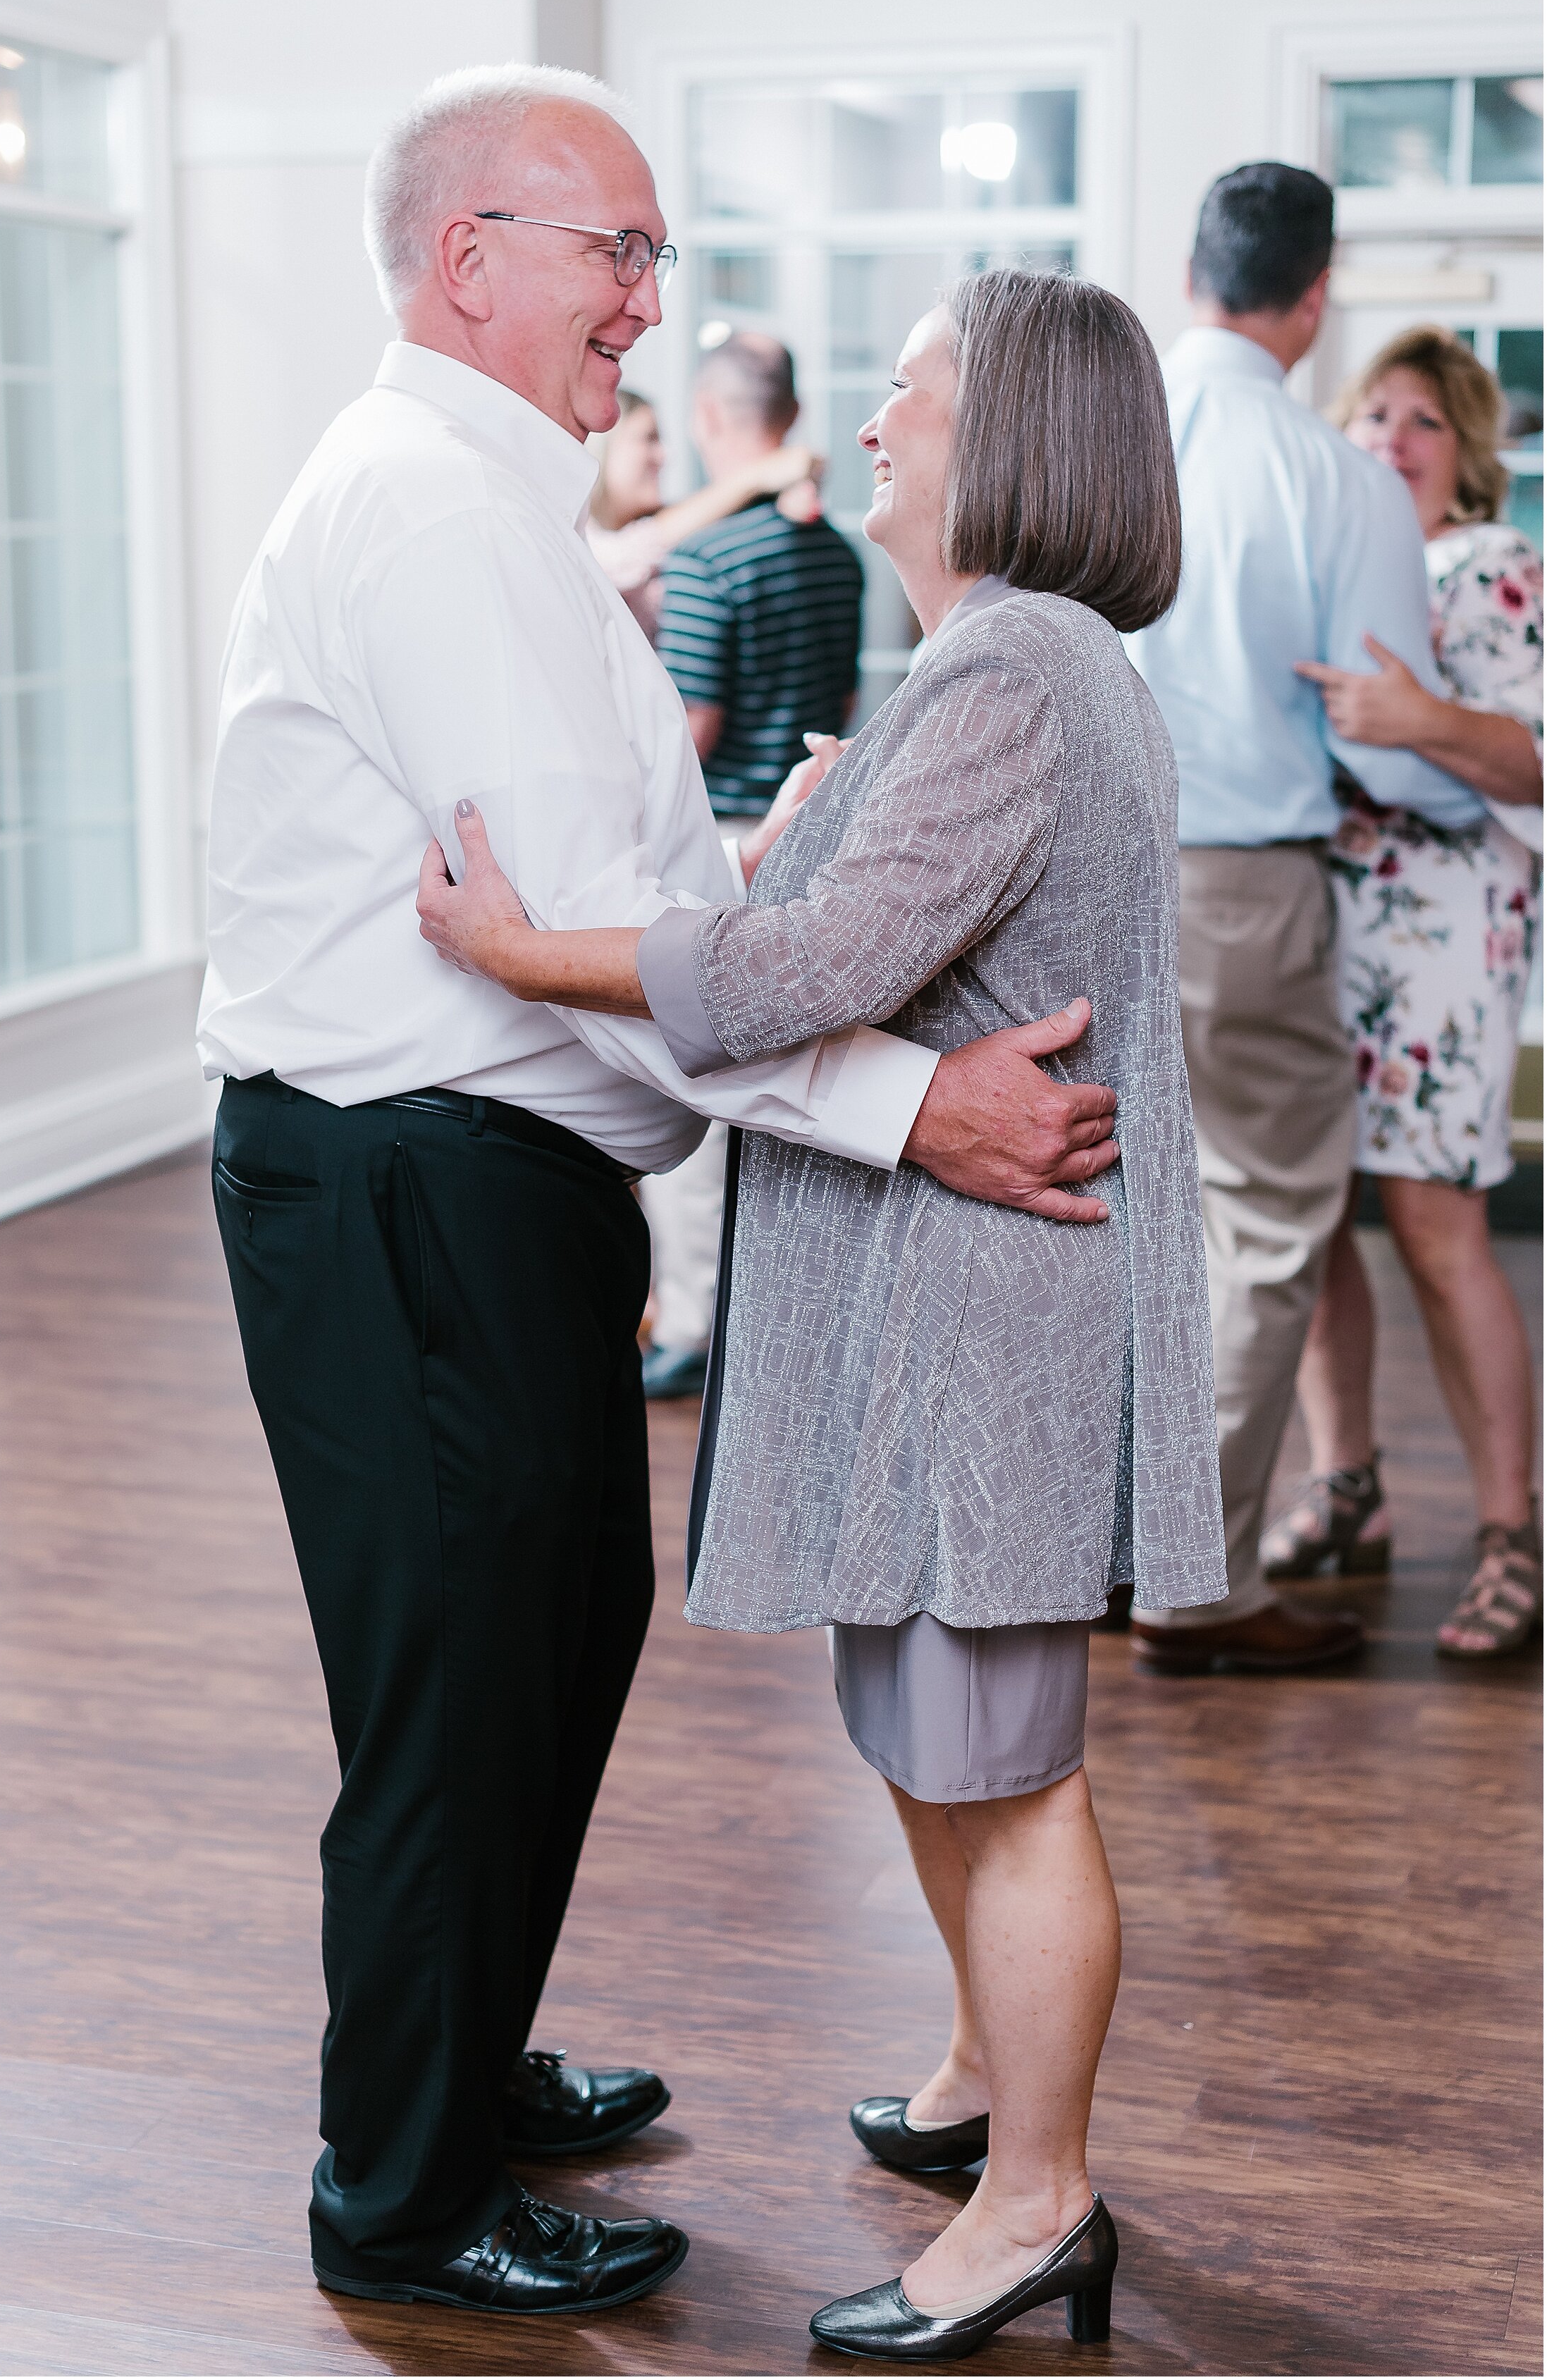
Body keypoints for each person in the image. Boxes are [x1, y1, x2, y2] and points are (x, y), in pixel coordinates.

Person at [197, 63, 1124, 2323]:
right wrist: (917, 1106)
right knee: (451, 1688)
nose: (651, 294)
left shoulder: (506, 500)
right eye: (613, 247)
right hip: (407, 1178)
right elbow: (610, 970)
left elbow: (630, 899)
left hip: (484, 1192)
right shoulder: (431, 507)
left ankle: (458, 2057)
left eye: (650, 252)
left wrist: (785, 886)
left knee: (538, 1646)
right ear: (467, 260)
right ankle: (396, 2193)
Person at [417, 266, 1228, 2358]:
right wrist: (787, 857)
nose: (867, 431)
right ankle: (983, 2079)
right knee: (938, 1727)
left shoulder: (1011, 665)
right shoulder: (1017, 660)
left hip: (982, 1313)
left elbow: (801, 973)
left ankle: (1037, 2198)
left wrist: (524, 942)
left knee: (1001, 1760)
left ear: (1011, 437)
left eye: (905, 395)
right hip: (958, 1298)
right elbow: (852, 932)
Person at [1122, 163, 1489, 1674]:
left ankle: (1084, 1552)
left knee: (1114, 1218)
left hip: (1071, 870)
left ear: (1193, 269)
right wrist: (1473, 793)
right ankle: (1190, 1589)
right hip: (1239, 883)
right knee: (1267, 1223)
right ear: (1316, 294)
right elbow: (1383, 739)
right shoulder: (1326, 476)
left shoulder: (1103, 425)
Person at [1263, 327, 1543, 1655]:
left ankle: (1509, 1533)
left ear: (1466, 451)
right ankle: (1348, 1487)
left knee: (1437, 1233)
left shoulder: (1491, 566)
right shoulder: (1341, 561)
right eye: (1373, 414)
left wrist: (1412, 718)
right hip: (1327, 928)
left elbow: (1532, 761)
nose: (1391, 438)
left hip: (1441, 946)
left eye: (1422, 419)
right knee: (1313, 1225)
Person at [641, 335, 866, 1398]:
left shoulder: (705, 556)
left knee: (698, 1083)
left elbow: (696, 721)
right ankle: (781, 1318)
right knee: (788, 1089)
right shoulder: (837, 552)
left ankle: (691, 1324)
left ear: (709, 415)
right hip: (811, 830)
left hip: (723, 836)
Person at [581, 386, 820, 644]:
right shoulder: (581, 540)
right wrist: (758, 477)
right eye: (648, 439)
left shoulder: (678, 521)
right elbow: (628, 554)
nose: (663, 456)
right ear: (603, 445)